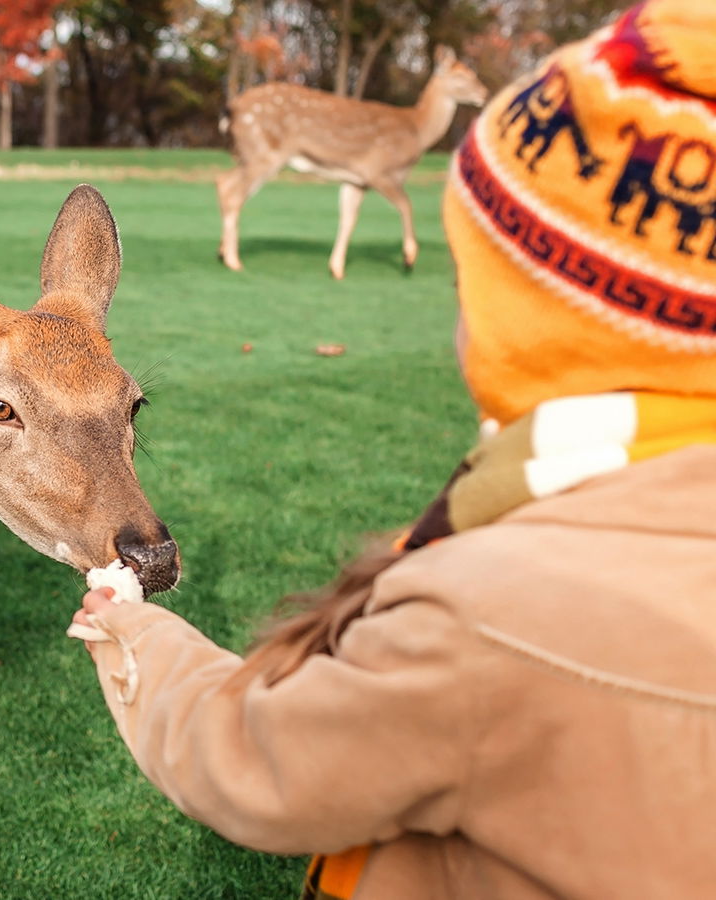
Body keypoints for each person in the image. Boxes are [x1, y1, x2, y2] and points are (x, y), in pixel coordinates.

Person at [71, 2, 716, 897]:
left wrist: (128, 627)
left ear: (536, 325)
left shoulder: (485, 615)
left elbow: (256, 757)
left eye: (472, 279)